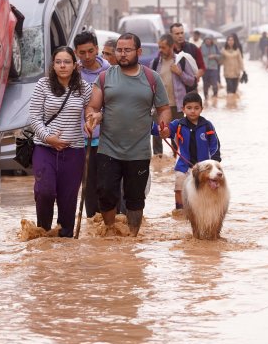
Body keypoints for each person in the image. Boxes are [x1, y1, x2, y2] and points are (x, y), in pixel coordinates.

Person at [85, 33, 172, 237]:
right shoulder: (105, 77)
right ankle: (110, 231)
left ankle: (132, 238)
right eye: (119, 50)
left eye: (127, 50)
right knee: (105, 193)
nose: (122, 54)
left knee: (135, 199)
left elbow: (164, 108)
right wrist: (92, 118)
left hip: (139, 151)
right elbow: (93, 106)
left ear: (138, 52)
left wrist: (164, 125)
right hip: (108, 148)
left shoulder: (152, 78)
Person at [30, 46, 92, 238]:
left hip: (74, 151)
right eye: (58, 62)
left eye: (67, 62)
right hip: (44, 148)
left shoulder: (84, 88)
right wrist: (48, 138)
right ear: (53, 65)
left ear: (75, 65)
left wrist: (90, 121)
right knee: (45, 191)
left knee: (68, 199)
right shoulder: (43, 85)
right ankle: (44, 233)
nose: (62, 66)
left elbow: (92, 110)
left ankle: (65, 240)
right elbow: (34, 117)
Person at [154, 92, 221, 218]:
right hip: (183, 165)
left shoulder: (207, 125)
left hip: (204, 168)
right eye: (189, 108)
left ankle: (204, 212)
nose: (192, 111)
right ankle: (179, 211)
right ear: (183, 109)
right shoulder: (178, 124)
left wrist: (215, 162)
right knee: (179, 187)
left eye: (196, 108)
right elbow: (164, 131)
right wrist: (161, 130)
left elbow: (215, 144)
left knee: (205, 189)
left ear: (202, 109)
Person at [73, 31, 110, 218]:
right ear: (76, 52)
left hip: (106, 140)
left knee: (107, 186)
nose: (87, 57)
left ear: (97, 49)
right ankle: (93, 226)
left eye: (90, 51)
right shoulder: (72, 74)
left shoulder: (110, 72)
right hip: (81, 141)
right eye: (82, 53)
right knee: (88, 188)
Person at [151, 33, 195, 156]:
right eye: (159, 47)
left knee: (177, 136)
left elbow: (191, 81)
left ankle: (177, 161)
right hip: (159, 106)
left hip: (177, 105)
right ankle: (158, 163)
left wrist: (179, 72)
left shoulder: (181, 61)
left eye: (163, 47)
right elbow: (149, 84)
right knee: (157, 135)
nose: (160, 50)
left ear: (172, 46)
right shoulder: (155, 63)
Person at [169, 23, 205, 92]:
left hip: (190, 89)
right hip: (173, 90)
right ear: (171, 35)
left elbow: (202, 67)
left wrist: (194, 78)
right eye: (177, 34)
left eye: (182, 33)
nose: (180, 36)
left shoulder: (193, 48)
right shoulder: (168, 51)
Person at [221, 35, 244, 102]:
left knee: (234, 91)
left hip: (236, 73)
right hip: (227, 73)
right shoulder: (223, 50)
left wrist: (243, 70)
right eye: (229, 40)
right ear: (227, 41)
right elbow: (221, 62)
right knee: (229, 90)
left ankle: (233, 105)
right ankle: (229, 105)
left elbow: (240, 61)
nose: (230, 41)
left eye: (232, 40)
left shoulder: (237, 50)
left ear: (234, 41)